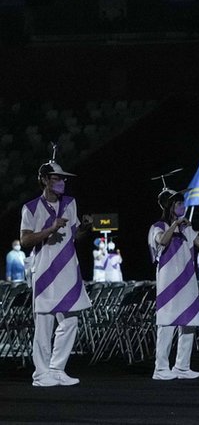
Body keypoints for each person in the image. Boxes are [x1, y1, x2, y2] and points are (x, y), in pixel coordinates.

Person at [20, 158, 92, 387]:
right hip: (44, 271)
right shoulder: (30, 208)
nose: (62, 182)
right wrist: (51, 229)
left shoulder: (70, 203)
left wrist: (84, 228)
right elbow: (25, 240)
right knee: (44, 324)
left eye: (63, 179)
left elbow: (74, 236)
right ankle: (41, 374)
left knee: (71, 320)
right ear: (44, 180)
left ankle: (57, 368)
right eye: (57, 178)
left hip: (69, 268)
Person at [149, 188, 199, 380]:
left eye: (183, 203)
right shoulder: (157, 226)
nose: (183, 207)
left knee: (189, 322)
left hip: (188, 279)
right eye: (178, 204)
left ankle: (182, 366)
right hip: (168, 281)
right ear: (169, 206)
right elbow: (163, 241)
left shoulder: (187, 228)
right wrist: (175, 224)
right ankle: (160, 368)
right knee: (167, 323)